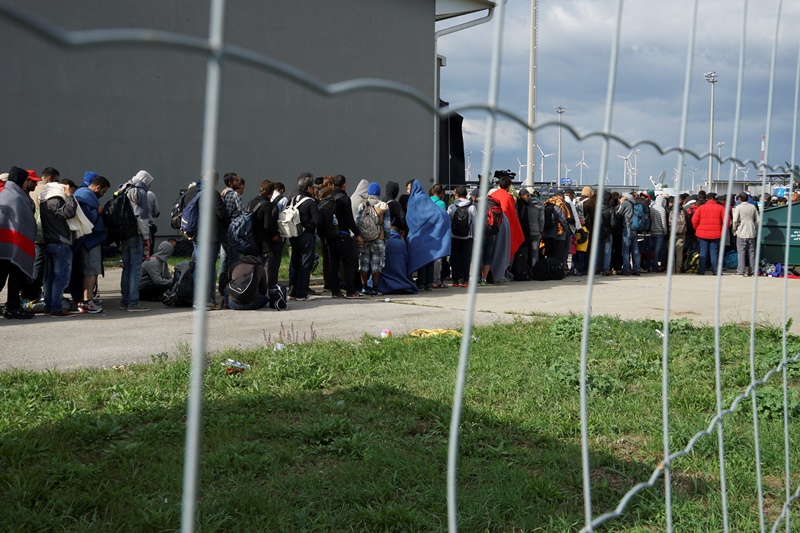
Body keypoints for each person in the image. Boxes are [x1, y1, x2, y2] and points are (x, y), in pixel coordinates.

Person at [182, 172, 230, 307]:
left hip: (195, 235)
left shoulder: (191, 192)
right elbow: (222, 213)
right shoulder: (212, 193)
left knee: (199, 266)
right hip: (210, 236)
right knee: (208, 268)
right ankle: (207, 300)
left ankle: (197, 298)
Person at [0, 166, 40, 319]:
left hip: (4, 245)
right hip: (13, 246)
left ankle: (11, 307)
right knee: (16, 276)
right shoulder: (17, 197)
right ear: (22, 181)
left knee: (1, 276)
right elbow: (25, 223)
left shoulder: (5, 192)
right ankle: (12, 307)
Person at [115, 170, 154, 312]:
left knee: (126, 268)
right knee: (135, 269)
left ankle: (124, 300)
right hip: (136, 234)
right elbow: (142, 218)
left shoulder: (125, 189)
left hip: (123, 234)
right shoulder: (140, 193)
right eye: (149, 183)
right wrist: (146, 237)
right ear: (144, 181)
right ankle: (133, 303)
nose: (150, 186)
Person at [39, 176, 79, 316]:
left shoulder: (44, 199)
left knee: (50, 277)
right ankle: (56, 307)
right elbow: (69, 212)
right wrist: (69, 196)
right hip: (60, 242)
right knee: (60, 277)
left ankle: (49, 306)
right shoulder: (55, 199)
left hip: (49, 241)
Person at [73, 174, 110, 313]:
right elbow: (86, 218)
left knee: (89, 270)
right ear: (98, 187)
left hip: (87, 240)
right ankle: (87, 301)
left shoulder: (82, 193)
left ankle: (86, 299)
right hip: (90, 241)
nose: (103, 194)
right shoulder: (85, 196)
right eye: (103, 191)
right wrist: (98, 211)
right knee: (91, 271)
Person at [322, 175, 363, 299]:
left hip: (330, 237)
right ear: (344, 184)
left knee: (333, 263)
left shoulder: (329, 198)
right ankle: (351, 291)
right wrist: (358, 235)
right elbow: (350, 220)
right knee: (349, 263)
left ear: (333, 184)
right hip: (343, 236)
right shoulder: (345, 199)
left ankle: (336, 291)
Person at [406, 180, 451, 291]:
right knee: (429, 260)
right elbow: (436, 213)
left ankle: (420, 283)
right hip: (431, 234)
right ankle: (429, 284)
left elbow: (412, 217)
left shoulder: (415, 200)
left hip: (419, 233)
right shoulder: (426, 198)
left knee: (420, 259)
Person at [288, 174, 321, 301]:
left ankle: (292, 291)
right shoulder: (310, 202)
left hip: (294, 234)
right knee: (305, 263)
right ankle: (302, 292)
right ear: (308, 188)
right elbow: (317, 221)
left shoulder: (293, 199)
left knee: (294, 262)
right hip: (307, 235)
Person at [357, 182, 391, 295]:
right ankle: (375, 288)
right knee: (376, 265)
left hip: (364, 238)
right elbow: (386, 226)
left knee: (364, 264)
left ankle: (364, 287)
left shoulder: (362, 205)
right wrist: (386, 239)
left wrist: (359, 236)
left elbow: (357, 222)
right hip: (378, 238)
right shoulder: (383, 206)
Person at [248, 179, 282, 288]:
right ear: (271, 192)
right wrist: (275, 234)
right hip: (264, 243)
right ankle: (265, 290)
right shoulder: (268, 205)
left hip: (251, 239)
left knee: (253, 267)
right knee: (266, 268)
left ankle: (252, 289)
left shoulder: (251, 202)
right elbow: (268, 225)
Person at [691, 192, 728, 275]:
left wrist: (697, 229)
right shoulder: (721, 208)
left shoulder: (701, 208)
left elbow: (694, 220)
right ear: (715, 199)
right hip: (716, 233)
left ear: (707, 199)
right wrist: (723, 230)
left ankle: (701, 270)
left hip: (702, 233)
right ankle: (715, 271)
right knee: (714, 253)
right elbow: (727, 221)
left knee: (703, 252)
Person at [446, 185, 476, 287]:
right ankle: (465, 281)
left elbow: (448, 222)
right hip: (467, 237)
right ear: (466, 194)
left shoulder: (451, 207)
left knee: (454, 258)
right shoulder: (471, 207)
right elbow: (475, 223)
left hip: (454, 236)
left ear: (456, 195)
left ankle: (455, 281)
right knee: (466, 258)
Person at [220, 172, 245, 281]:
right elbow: (243, 214)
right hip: (234, 232)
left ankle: (222, 285)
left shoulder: (223, 194)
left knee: (224, 260)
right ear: (230, 183)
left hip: (223, 231)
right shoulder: (235, 195)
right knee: (234, 260)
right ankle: (233, 285)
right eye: (235, 180)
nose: (238, 182)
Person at [731, 192, 759, 276]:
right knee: (751, 252)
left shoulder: (738, 207)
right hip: (751, 231)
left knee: (741, 252)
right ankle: (752, 271)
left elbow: (735, 220)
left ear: (740, 199)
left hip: (741, 231)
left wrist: (734, 229)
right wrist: (754, 226)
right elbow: (758, 219)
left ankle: (741, 271)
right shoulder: (753, 207)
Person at [617, 193, 641, 276]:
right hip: (635, 228)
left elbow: (618, 214)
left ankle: (626, 269)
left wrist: (621, 203)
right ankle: (637, 269)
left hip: (627, 227)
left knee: (626, 249)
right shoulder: (635, 203)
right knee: (635, 249)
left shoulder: (625, 203)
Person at [599, 191, 618, 275]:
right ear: (610, 200)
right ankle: (606, 269)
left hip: (598, 232)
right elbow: (613, 223)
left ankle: (597, 268)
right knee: (607, 252)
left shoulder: (597, 208)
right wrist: (611, 230)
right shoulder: (611, 209)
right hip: (607, 232)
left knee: (598, 250)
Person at [649, 192, 668, 272]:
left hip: (651, 232)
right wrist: (665, 231)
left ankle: (648, 266)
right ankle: (655, 267)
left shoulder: (651, 207)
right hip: (659, 233)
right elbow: (663, 222)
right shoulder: (662, 209)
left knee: (651, 250)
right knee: (657, 251)